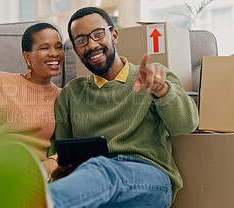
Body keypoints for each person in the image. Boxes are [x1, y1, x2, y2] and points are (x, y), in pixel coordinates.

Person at [47, 7, 199, 207]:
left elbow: (186, 124)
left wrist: (161, 91)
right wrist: (61, 169)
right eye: (82, 40)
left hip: (149, 179)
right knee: (96, 172)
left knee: (101, 168)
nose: (92, 45)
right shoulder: (71, 94)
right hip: (93, 186)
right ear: (75, 49)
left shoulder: (153, 76)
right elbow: (62, 152)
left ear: (114, 35)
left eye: (98, 34)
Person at [0, 22, 63, 177]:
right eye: (45, 48)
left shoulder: (62, 96)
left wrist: (52, 162)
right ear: (27, 57)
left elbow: (67, 145)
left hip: (37, 176)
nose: (55, 53)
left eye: (58, 47)